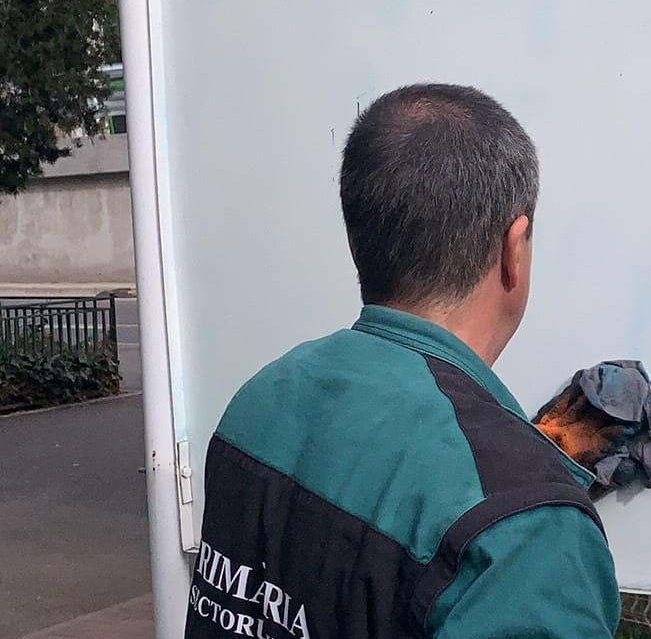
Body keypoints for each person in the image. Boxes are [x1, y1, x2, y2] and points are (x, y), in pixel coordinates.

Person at [185, 83, 621, 639]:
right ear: (513, 250)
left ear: (356, 241)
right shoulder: (523, 536)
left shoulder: (261, 399)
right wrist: (522, 488)